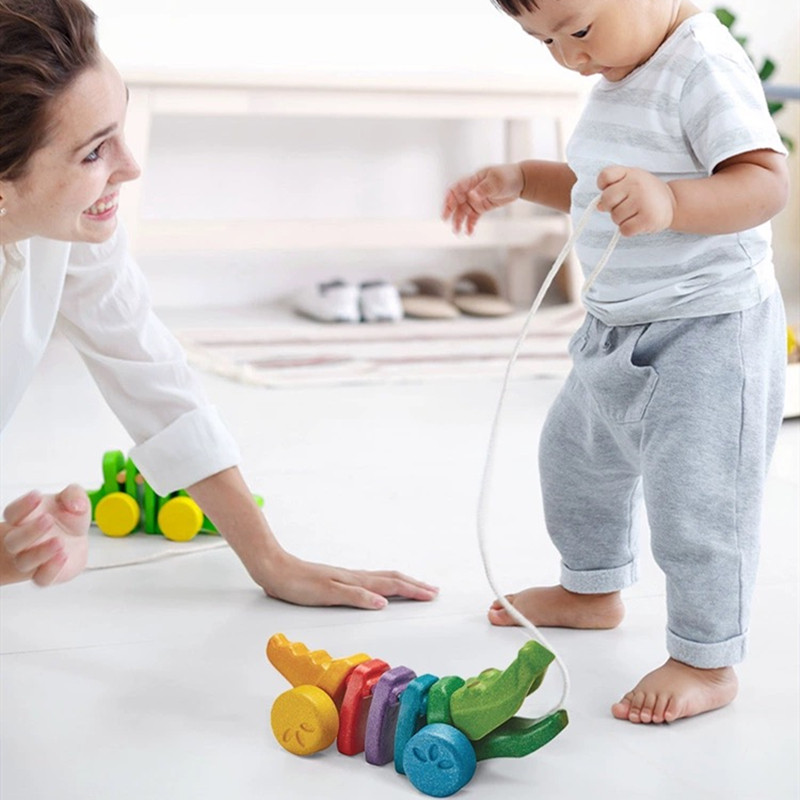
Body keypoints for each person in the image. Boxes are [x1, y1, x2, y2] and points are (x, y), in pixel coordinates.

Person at [0, 0, 439, 610]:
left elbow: (150, 372)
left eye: (120, 127)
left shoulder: (68, 228)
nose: (131, 167)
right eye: (94, 152)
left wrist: (271, 560)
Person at [443, 0, 788, 724]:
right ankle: (591, 589)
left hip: (706, 329)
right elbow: (592, 188)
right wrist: (519, 178)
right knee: (574, 460)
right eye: (544, 41)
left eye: (578, 30)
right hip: (615, 325)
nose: (570, 56)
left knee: (697, 502)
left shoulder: (702, 63)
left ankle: (706, 658)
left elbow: (764, 183)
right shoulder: (622, 69)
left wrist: (671, 201)